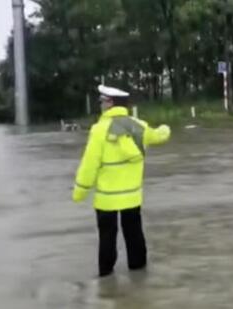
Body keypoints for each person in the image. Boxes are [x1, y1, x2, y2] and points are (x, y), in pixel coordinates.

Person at [72, 85, 171, 277]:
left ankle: (106, 275)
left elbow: (89, 164)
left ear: (110, 103)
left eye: (102, 101)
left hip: (106, 200)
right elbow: (159, 136)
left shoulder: (99, 130)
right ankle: (139, 272)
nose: (101, 105)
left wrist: (79, 192)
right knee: (134, 234)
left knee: (107, 237)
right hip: (132, 197)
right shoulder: (139, 126)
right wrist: (165, 128)